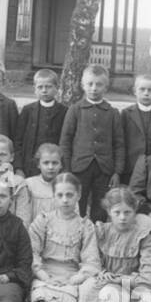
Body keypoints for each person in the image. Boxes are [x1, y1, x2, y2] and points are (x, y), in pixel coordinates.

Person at [25, 174, 99, 302]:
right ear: (53, 196)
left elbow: (91, 259)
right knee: (41, 295)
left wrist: (76, 277)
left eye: (70, 194)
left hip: (72, 275)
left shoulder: (85, 225)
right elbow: (32, 252)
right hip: (45, 272)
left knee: (69, 300)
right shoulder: (43, 221)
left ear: (79, 195)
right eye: (60, 195)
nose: (65, 199)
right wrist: (42, 274)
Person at [59, 63, 124, 221]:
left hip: (104, 169)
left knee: (101, 205)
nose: (94, 88)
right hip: (79, 167)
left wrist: (117, 171)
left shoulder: (112, 113)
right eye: (90, 84)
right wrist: (67, 168)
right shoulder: (75, 110)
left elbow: (119, 144)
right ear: (83, 85)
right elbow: (65, 141)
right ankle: (78, 235)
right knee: (78, 203)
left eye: (99, 84)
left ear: (106, 87)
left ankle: (97, 237)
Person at [16, 69, 66, 179]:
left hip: (53, 166)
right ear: (35, 89)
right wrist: (18, 167)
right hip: (30, 165)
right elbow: (18, 140)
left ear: (57, 88)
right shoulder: (27, 111)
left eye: (48, 87)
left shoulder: (64, 112)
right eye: (40, 87)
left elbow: (66, 141)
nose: (44, 90)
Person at [120, 73, 151, 182]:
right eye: (142, 89)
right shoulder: (126, 113)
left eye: (150, 90)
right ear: (134, 91)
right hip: (131, 165)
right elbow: (120, 141)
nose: (146, 93)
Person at [23, 143, 64, 226]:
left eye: (55, 163)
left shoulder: (65, 186)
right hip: (33, 231)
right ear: (38, 164)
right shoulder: (29, 184)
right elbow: (23, 212)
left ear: (61, 165)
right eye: (46, 163)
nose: (50, 167)